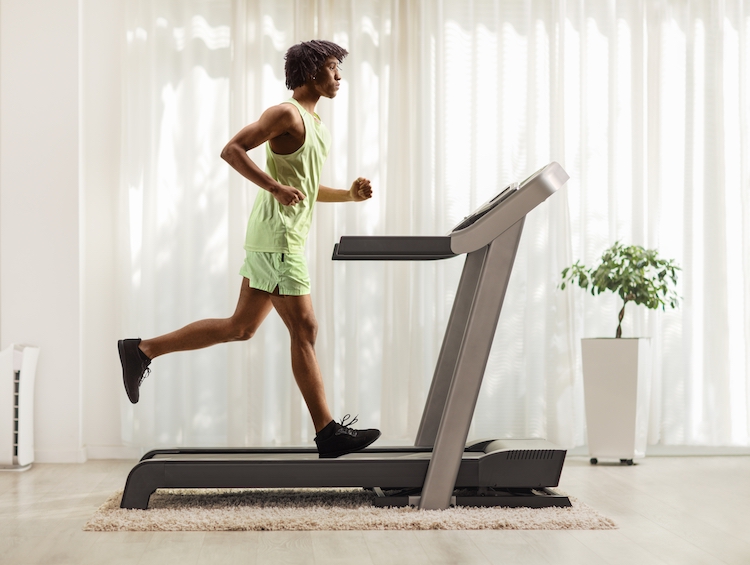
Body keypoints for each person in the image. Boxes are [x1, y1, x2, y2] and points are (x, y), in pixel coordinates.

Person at [118, 40, 381, 459]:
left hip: (280, 238)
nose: (339, 77)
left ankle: (141, 350)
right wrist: (273, 186)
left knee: (241, 326)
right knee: (305, 328)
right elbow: (231, 150)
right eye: (333, 68)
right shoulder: (285, 114)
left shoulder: (317, 125)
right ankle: (328, 432)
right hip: (278, 240)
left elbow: (306, 192)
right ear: (312, 71)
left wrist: (348, 195)